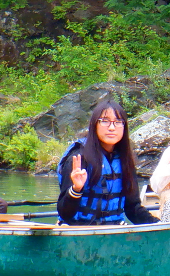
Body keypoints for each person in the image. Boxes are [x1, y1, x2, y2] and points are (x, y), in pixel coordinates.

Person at [56, 96, 156, 226]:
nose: (112, 128)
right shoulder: (79, 158)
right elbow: (65, 213)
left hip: (113, 230)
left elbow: (132, 208)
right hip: (78, 229)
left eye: (118, 122)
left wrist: (159, 224)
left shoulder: (124, 160)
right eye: (105, 121)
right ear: (94, 125)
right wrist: (76, 188)